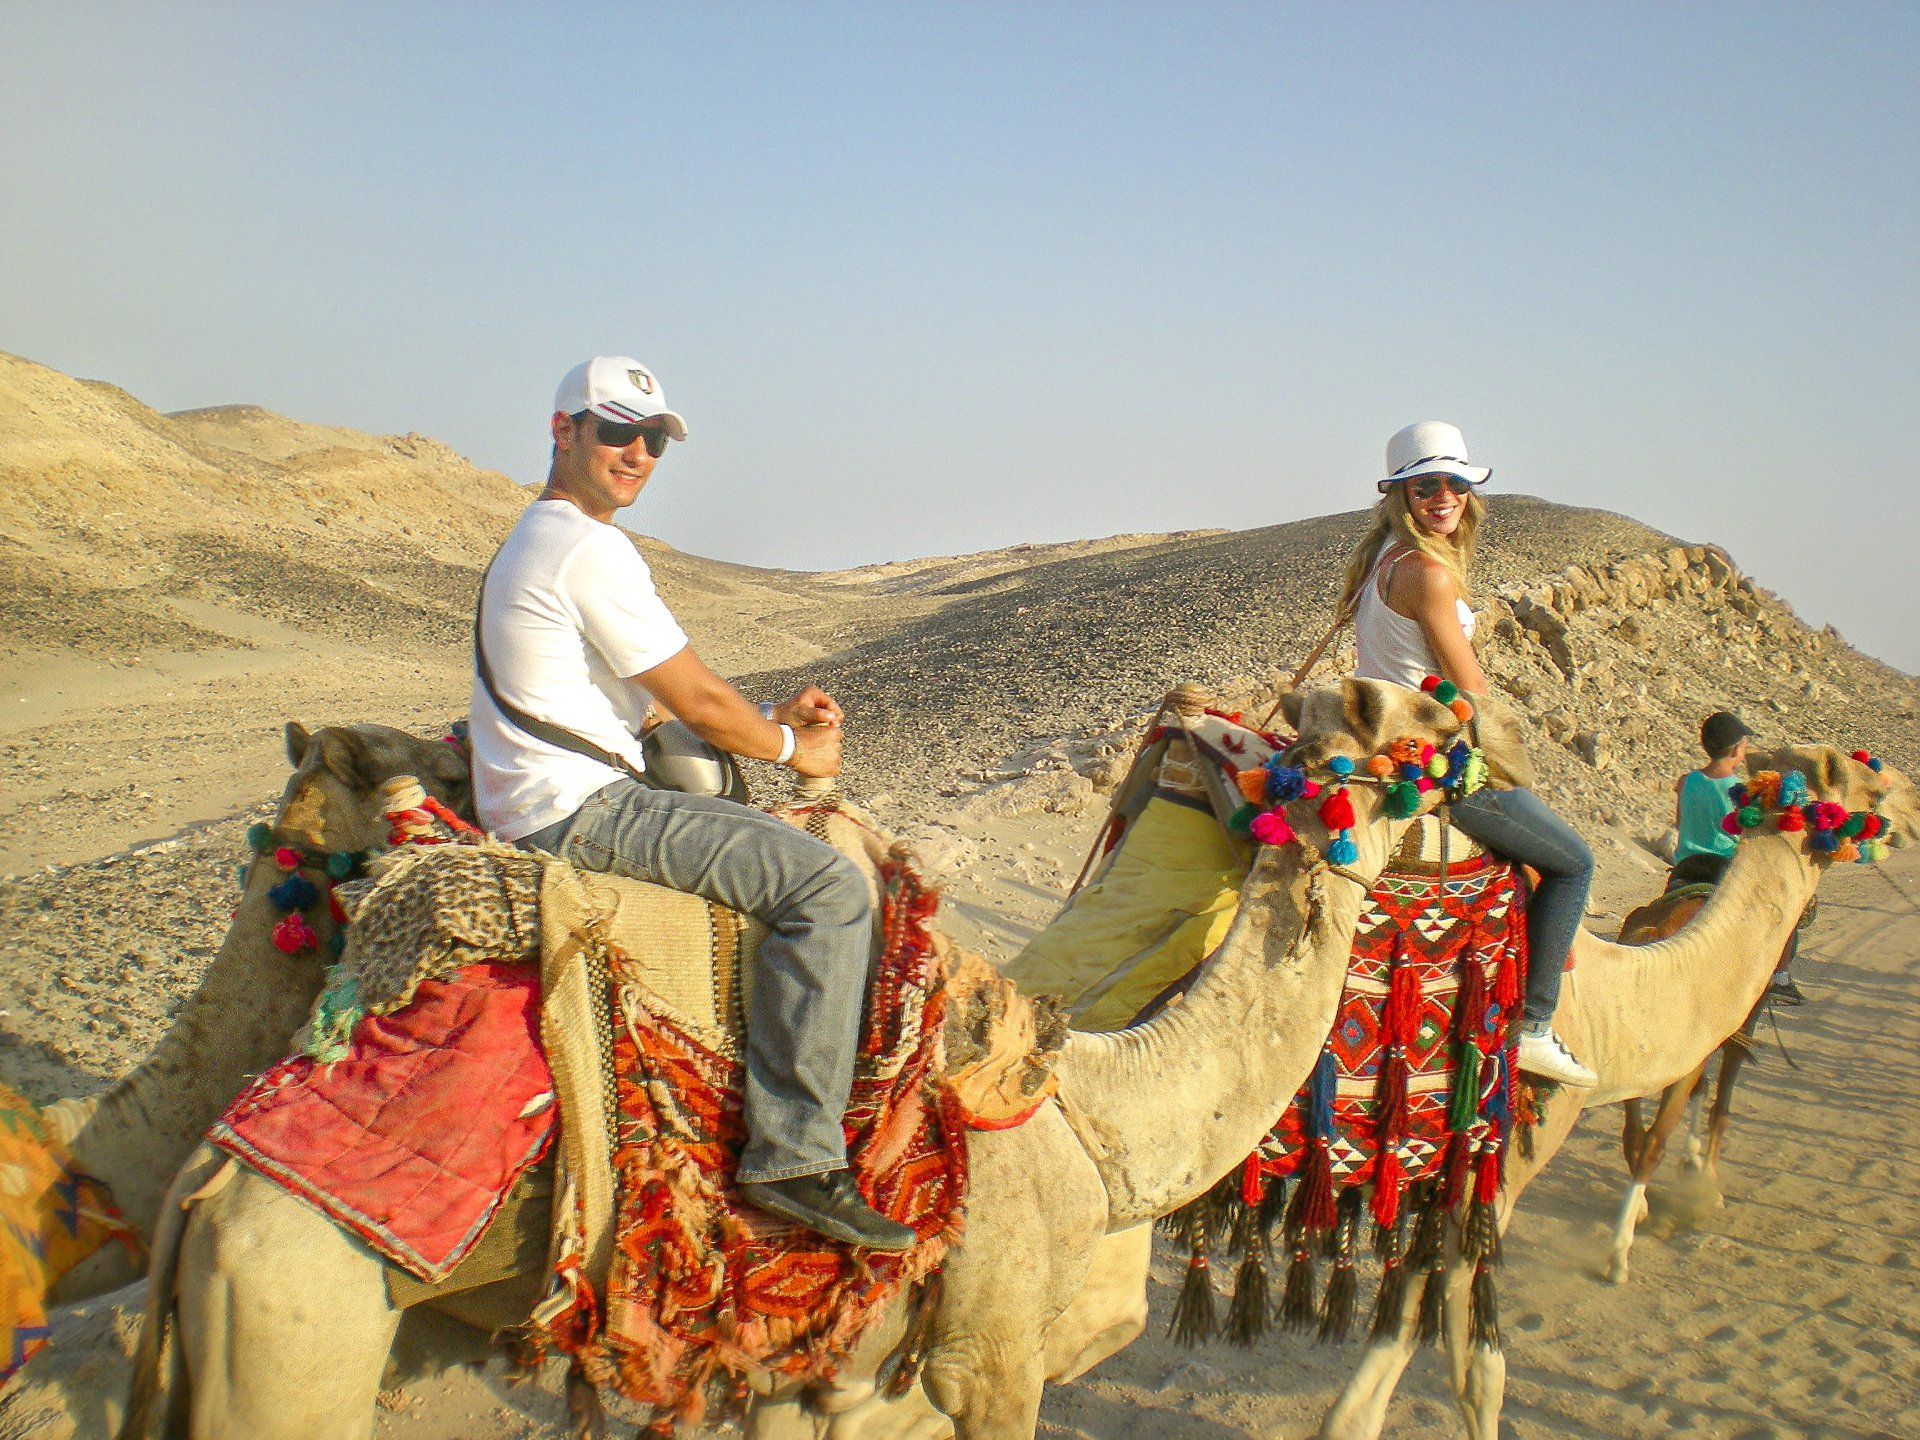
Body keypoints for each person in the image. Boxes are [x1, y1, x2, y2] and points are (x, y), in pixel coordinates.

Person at [468, 356, 915, 1251]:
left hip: (553, 792)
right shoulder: (586, 546)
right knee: (826, 892)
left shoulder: (546, 538)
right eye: (617, 431)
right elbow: (702, 703)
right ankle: (797, 1157)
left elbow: (661, 694)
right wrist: (795, 748)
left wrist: (767, 720)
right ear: (565, 431)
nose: (636, 454)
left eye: (652, 440)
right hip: (579, 810)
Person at [1335, 420, 1599, 1087]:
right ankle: (1535, 1026)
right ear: (1401, 496)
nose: (1444, 496)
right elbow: (1472, 690)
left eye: (1455, 483)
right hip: (1430, 753)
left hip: (1385, 737)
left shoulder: (1384, 559)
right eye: (1428, 486)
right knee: (1574, 864)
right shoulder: (1428, 571)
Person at [1668, 711, 1803, 1003]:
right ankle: (1779, 977)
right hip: (1723, 869)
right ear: (1735, 750)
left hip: (1685, 867)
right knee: (1784, 913)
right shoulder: (1740, 792)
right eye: (1744, 746)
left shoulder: (1686, 781)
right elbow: (1744, 836)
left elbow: (1680, 823)